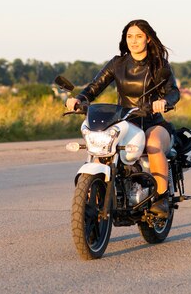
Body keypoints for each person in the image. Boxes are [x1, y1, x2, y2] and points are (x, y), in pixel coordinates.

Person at [65, 19, 180, 218]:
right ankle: (96, 200)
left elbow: (173, 92)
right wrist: (80, 99)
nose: (133, 41)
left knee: (152, 145)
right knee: (103, 150)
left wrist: (163, 102)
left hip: (152, 122)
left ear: (148, 39)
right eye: (129, 36)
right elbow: (95, 86)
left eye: (138, 36)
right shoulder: (117, 63)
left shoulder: (159, 65)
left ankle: (161, 198)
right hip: (125, 122)